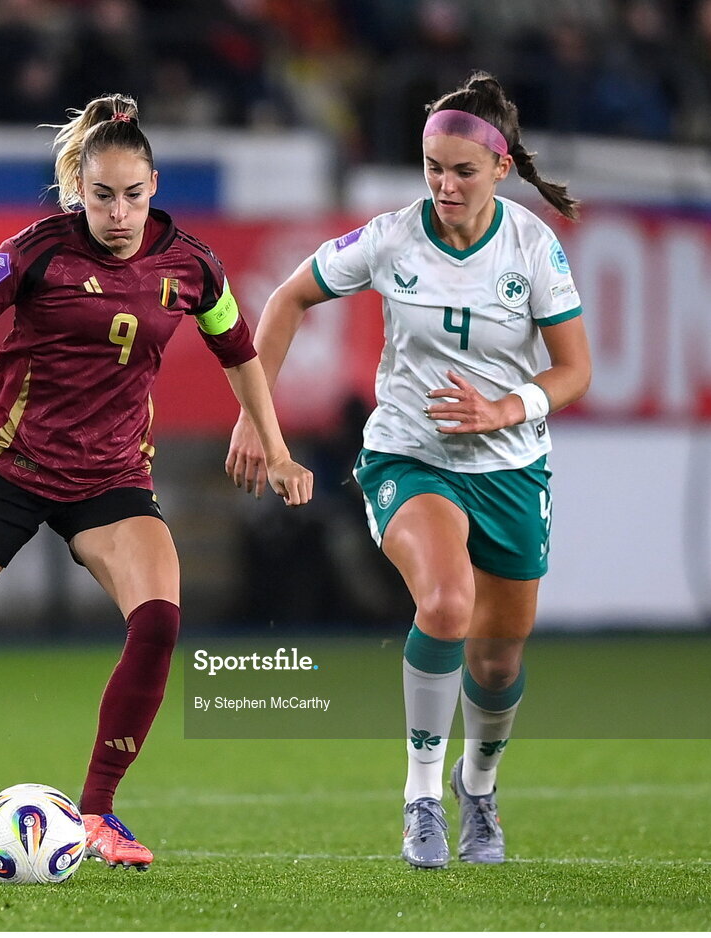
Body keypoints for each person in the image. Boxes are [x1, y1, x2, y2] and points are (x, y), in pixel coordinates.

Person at [0, 92, 313, 870]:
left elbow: (240, 353)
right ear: (79, 188)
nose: (118, 211)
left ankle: (100, 811)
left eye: (133, 194)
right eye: (101, 195)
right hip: (10, 468)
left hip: (110, 479)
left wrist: (274, 448)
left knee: (161, 621)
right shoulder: (38, 250)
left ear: (155, 185)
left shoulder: (192, 267)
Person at [226, 71, 591, 869]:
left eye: (463, 170)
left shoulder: (532, 246)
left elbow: (573, 370)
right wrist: (259, 420)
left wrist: (508, 408)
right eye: (432, 166)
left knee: (499, 659)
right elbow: (286, 299)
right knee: (447, 601)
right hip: (408, 456)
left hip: (510, 471)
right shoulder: (391, 237)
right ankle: (421, 796)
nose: (445, 184)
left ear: (500, 167)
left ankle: (477, 788)